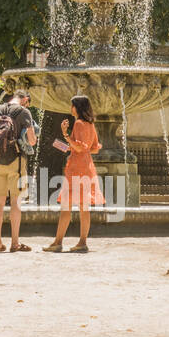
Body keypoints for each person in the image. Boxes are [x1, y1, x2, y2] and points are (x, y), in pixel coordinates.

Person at [45, 94, 102, 252]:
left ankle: (57, 242)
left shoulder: (77, 123)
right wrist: (65, 145)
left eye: (72, 105)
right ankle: (82, 242)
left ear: (77, 107)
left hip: (76, 168)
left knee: (66, 207)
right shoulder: (90, 124)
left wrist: (64, 134)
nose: (70, 108)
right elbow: (94, 148)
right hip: (87, 167)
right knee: (84, 208)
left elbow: (78, 147)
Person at [0, 89, 36, 252]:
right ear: (25, 99)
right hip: (16, 160)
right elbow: (32, 140)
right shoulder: (24, 112)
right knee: (16, 201)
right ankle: (15, 243)